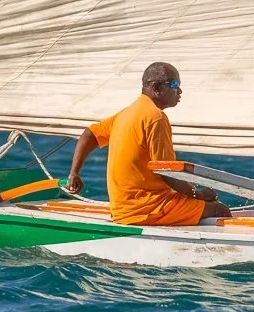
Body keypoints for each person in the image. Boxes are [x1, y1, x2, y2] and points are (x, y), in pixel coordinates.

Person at [62, 62, 231, 225]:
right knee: (220, 210)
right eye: (174, 84)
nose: (179, 91)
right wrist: (198, 194)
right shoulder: (156, 117)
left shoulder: (126, 113)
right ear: (156, 88)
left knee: (197, 204)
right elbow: (166, 172)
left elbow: (89, 134)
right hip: (146, 209)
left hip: (122, 208)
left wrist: (74, 173)